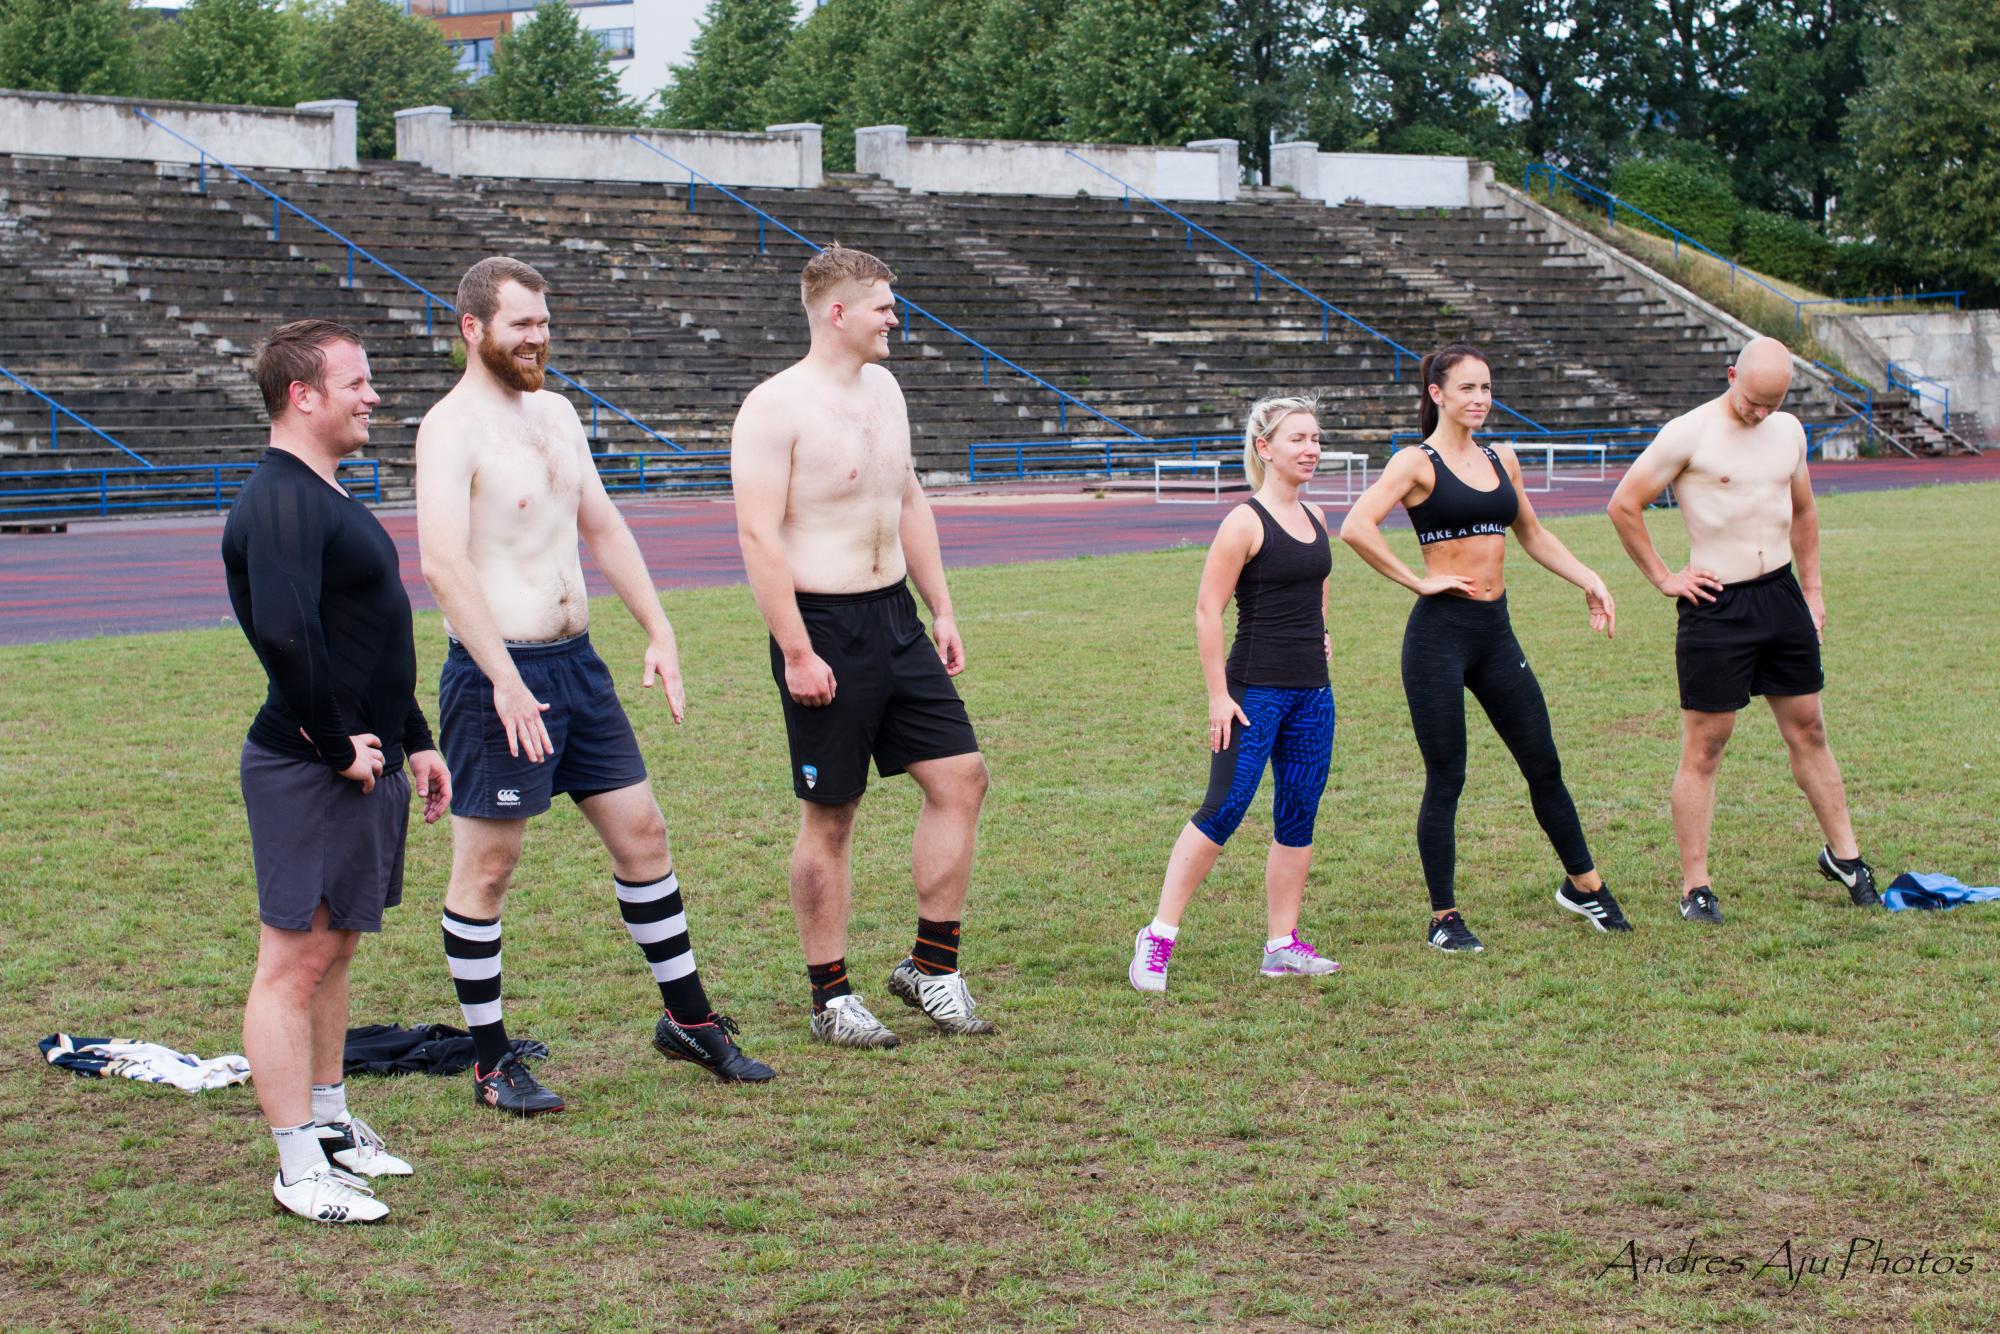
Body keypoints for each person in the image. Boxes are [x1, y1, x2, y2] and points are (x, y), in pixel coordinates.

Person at [415, 256, 771, 1115]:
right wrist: (503, 679)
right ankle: (492, 1063)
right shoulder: (449, 428)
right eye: (521, 324)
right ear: (473, 328)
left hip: (578, 665)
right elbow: (442, 564)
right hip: (498, 677)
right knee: (489, 868)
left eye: (544, 322)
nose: (538, 337)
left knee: (643, 834)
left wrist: (660, 629)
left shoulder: (557, 413)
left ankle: (689, 1023)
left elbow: (602, 524)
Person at [730, 245, 994, 1049]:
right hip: (823, 627)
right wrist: (797, 650)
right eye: (883, 306)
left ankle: (931, 968)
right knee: (832, 815)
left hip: (896, 619)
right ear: (837, 312)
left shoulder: (885, 390)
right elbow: (758, 536)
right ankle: (832, 998)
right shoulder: (774, 407)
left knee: (961, 778)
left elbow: (907, 498)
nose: (895, 318)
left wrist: (940, 607)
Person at [224, 319, 452, 1223]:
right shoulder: (280, 497)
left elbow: (367, 636)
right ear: (303, 396)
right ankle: (297, 1167)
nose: (373, 396)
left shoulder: (326, 493)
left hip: (361, 757)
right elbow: (287, 634)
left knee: (336, 949)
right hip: (312, 767)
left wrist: (414, 735)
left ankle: (328, 1123)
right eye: (356, 383)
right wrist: (333, 743)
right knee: (294, 962)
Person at [1340, 343, 1628, 951]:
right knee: (1448, 776)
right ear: (1437, 393)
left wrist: (1589, 579)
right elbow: (1356, 526)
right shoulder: (1414, 463)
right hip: (1438, 637)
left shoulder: (1503, 457)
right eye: (1467, 388)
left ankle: (1585, 886)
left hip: (1495, 633)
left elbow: (1532, 533)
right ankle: (1443, 918)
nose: (1480, 399)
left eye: (1487, 388)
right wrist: (1418, 581)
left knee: (1543, 764)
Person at [1606, 336, 1880, 923]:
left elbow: (1803, 511)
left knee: (1810, 729)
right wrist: (1664, 577)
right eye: (1752, 400)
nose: (1759, 413)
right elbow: (1624, 504)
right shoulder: (1688, 433)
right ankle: (1696, 886)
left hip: (1781, 597)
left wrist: (1813, 591)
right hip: (1715, 604)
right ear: (1732, 375)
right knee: (1707, 745)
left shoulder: (1789, 432)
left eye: (1771, 404)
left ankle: (1847, 858)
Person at [1129, 396, 1343, 993]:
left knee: (1298, 814)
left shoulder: (1317, 515)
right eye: (1298, 439)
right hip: (1253, 693)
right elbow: (1207, 610)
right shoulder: (1245, 522)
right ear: (1265, 448)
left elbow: (1318, 584)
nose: (1311, 449)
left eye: (1316, 438)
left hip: (1312, 695)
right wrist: (1218, 696)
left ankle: (1282, 945)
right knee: (1223, 810)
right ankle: (1157, 937)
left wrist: (1323, 630)